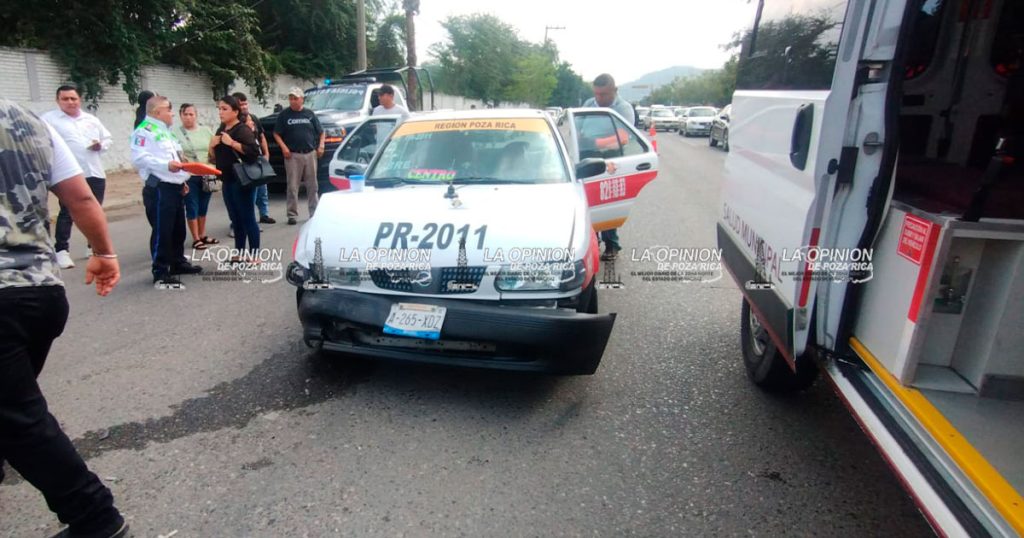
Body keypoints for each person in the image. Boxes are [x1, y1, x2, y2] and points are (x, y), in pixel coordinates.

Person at [0, 98, 128, 538]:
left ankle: (97, 520)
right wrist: (105, 254)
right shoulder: (27, 119)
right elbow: (80, 196)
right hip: (41, 295)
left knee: (18, 416)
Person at [131, 95, 202, 289]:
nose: (172, 113)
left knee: (178, 228)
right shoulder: (144, 131)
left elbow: (177, 158)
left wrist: (183, 179)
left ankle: (177, 262)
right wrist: (165, 165)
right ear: (156, 112)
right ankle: (160, 271)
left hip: (175, 186)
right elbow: (139, 159)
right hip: (160, 188)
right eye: (168, 110)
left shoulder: (166, 132)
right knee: (163, 230)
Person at [41, 84, 113, 269]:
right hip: (68, 175)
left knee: (95, 209)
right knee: (68, 211)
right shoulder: (49, 120)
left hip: (94, 171)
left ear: (79, 99)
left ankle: (93, 246)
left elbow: (107, 138)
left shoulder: (91, 119)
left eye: (73, 98)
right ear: (58, 101)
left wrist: (100, 145)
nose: (70, 102)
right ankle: (61, 250)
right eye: (65, 99)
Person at [583, 74, 635, 261]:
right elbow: (579, 129)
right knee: (587, 202)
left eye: (604, 94)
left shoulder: (623, 109)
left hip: (611, 161)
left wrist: (596, 142)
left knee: (606, 202)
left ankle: (612, 244)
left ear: (614, 90)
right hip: (587, 158)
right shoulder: (589, 104)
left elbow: (622, 138)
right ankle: (592, 242)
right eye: (596, 93)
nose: (599, 98)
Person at [212, 95, 261, 259]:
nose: (221, 112)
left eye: (224, 109)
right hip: (226, 179)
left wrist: (232, 143)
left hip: (242, 180)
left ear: (235, 111)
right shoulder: (221, 130)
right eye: (219, 109)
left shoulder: (242, 129)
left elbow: (253, 152)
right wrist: (212, 147)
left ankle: (255, 254)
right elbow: (213, 157)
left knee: (247, 217)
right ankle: (239, 252)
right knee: (235, 218)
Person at [274, 87, 323, 225]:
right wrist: (284, 147)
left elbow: (321, 131)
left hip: (310, 153)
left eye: (295, 98)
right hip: (293, 155)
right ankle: (292, 214)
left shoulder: (309, 114)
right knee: (292, 186)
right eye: (291, 98)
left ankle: (314, 212)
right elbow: (276, 133)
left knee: (312, 185)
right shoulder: (284, 115)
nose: (293, 101)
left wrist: (321, 146)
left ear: (302, 99)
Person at [175, 103, 219, 250]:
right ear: (180, 116)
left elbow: (213, 149)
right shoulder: (175, 133)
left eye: (191, 114)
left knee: (203, 206)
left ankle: (202, 234)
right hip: (189, 175)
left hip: (207, 174)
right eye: (185, 114)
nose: (188, 117)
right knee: (191, 206)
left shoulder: (206, 131)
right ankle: (195, 238)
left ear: (196, 115)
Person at [232, 91, 275, 225]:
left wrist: (266, 154)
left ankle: (264, 214)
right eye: (241, 104)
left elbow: (262, 137)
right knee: (250, 192)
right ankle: (243, 221)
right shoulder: (235, 122)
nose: (244, 107)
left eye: (245, 104)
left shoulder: (254, 118)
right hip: (244, 161)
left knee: (262, 188)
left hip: (258, 158)